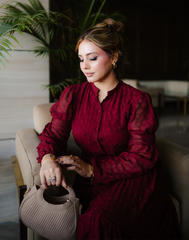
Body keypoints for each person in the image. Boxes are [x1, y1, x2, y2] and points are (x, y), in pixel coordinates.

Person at [37, 18, 180, 239]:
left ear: (113, 57)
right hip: (91, 179)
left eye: (92, 58)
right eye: (81, 59)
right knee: (94, 220)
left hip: (134, 178)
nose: (84, 66)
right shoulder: (73, 94)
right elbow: (54, 134)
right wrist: (47, 158)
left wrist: (92, 169)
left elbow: (142, 156)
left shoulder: (136, 100)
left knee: (98, 221)